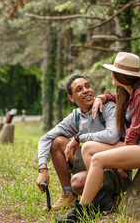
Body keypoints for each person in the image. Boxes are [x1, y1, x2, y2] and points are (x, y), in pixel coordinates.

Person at [56, 52, 140, 222]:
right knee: (88, 147)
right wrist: (102, 97)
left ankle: (82, 210)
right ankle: (101, 200)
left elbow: (136, 129)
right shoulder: (129, 90)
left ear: (121, 75)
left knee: (98, 160)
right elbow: (114, 97)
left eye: (113, 71)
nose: (111, 74)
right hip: (139, 144)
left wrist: (122, 164)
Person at [36, 74, 132, 211]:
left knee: (78, 182)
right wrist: (43, 169)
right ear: (71, 98)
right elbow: (46, 138)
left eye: (87, 86)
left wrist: (78, 138)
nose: (86, 90)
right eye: (79, 89)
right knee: (56, 142)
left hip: (117, 168)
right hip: (93, 163)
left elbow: (112, 136)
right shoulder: (75, 117)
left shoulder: (107, 107)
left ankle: (111, 196)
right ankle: (68, 195)